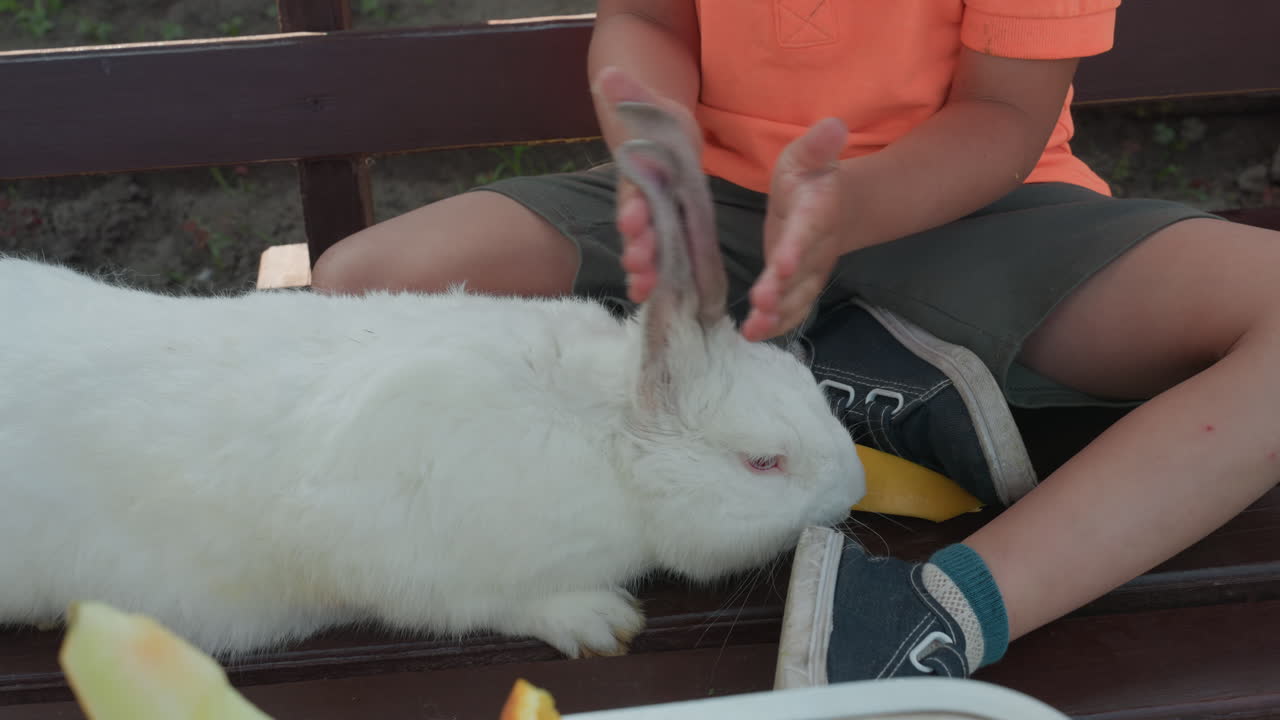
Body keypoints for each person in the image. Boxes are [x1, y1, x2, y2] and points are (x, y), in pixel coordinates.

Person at [309, 0, 1280, 683]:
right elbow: (647, 19)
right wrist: (656, 150)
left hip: (983, 213)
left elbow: (1002, 115)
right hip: (718, 208)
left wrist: (843, 210)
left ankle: (927, 617)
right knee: (359, 283)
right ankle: (820, 367)